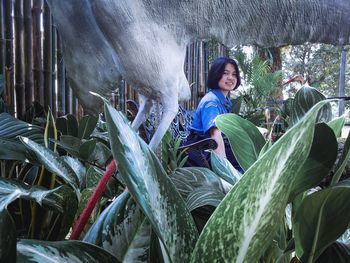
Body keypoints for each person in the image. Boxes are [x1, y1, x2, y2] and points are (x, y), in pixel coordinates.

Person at [185, 56, 242, 171]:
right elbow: (214, 134)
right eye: (225, 73)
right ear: (216, 74)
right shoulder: (212, 102)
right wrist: (225, 168)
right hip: (201, 151)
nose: (230, 78)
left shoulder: (224, 100)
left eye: (234, 74)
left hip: (212, 146)